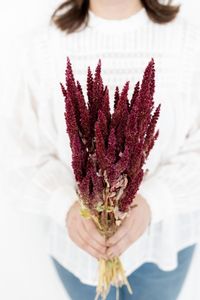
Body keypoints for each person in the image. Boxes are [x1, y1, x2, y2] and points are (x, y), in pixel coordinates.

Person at [2, 0, 200, 299]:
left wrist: (152, 203)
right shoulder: (40, 47)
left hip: (161, 247)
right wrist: (66, 207)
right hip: (79, 249)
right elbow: (21, 149)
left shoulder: (188, 43)